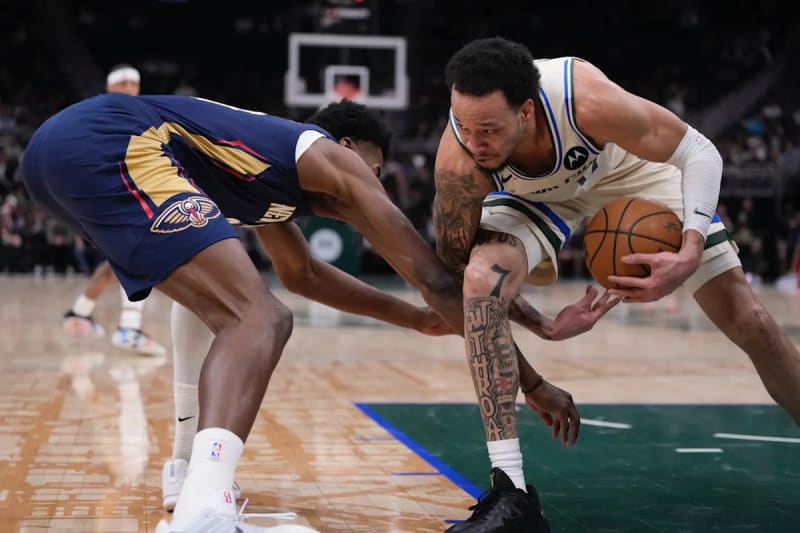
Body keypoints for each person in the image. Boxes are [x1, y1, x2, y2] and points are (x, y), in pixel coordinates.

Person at [22, 92, 606, 532]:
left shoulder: (270, 187)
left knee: (234, 308)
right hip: (106, 142)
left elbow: (303, 274)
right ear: (352, 152)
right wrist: (533, 380)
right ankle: (205, 501)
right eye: (375, 173)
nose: (373, 189)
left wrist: (413, 319)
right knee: (257, 318)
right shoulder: (326, 158)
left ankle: (187, 474)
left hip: (55, 159)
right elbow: (435, 279)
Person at [433, 36, 800, 532]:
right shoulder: (460, 162)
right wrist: (540, 326)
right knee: (481, 278)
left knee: (750, 319)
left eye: (488, 130)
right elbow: (454, 275)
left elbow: (700, 151)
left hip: (629, 173)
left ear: (525, 111)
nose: (474, 142)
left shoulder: (583, 98)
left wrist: (689, 251)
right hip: (535, 199)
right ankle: (512, 494)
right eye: (465, 126)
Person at [62, 63, 166, 356]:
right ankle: (128, 329)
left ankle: (79, 314)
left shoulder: (137, 115)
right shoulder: (98, 115)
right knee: (137, 260)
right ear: (109, 87)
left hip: (121, 192)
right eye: (124, 83)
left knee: (117, 263)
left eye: (135, 84)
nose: (131, 89)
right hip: (109, 192)